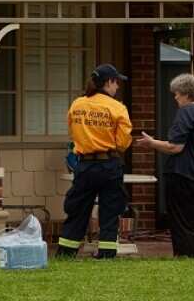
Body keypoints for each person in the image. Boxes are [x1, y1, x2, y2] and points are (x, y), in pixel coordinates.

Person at [137, 73, 194, 257]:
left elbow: (175, 147)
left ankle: (186, 258)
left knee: (183, 222)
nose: (175, 97)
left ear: (187, 94)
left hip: (185, 177)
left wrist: (152, 143)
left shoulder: (186, 112)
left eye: (177, 93)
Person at [57, 63, 133, 259]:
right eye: (116, 83)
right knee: (110, 209)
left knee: (78, 209)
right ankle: (107, 253)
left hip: (84, 165)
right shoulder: (118, 108)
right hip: (109, 165)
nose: (117, 87)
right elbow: (123, 143)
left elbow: (73, 133)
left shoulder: (77, 104)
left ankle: (66, 253)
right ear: (108, 83)